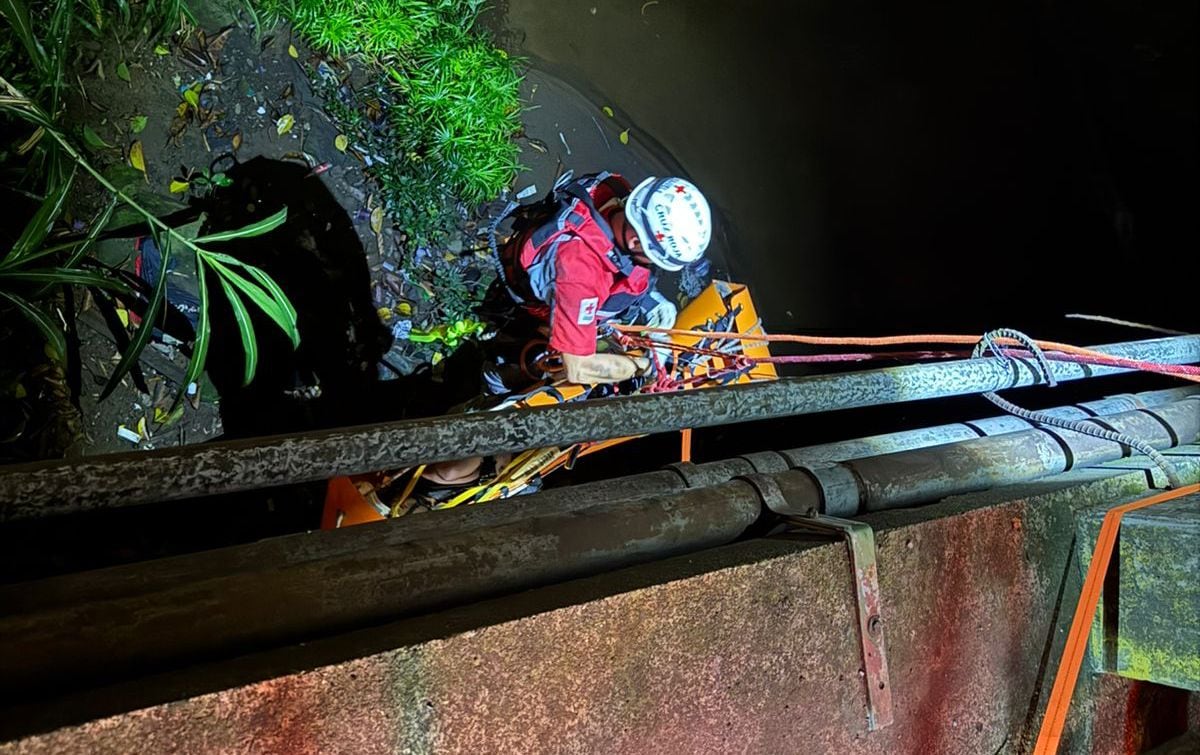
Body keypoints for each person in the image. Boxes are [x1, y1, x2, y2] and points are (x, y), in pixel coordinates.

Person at [495, 171, 712, 385]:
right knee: (508, 371)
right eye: (654, 258)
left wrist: (650, 301)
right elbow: (578, 368)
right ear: (636, 242)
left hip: (562, 284)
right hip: (529, 313)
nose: (653, 264)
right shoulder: (581, 275)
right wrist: (642, 367)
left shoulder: (613, 189)